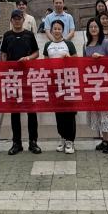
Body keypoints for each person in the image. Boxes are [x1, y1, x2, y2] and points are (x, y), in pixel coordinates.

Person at [1, 9, 41, 154]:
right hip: (13, 78)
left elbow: (37, 53)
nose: (17, 21)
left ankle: (33, 142)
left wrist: (28, 58)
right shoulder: (7, 35)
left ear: (23, 20)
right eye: (14, 18)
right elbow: (3, 54)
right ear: (11, 20)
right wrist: (4, 68)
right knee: (15, 112)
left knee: (31, 111)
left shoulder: (29, 35)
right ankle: (16, 143)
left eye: (19, 18)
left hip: (28, 77)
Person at [83, 18, 108, 153]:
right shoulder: (86, 45)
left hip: (107, 83)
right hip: (94, 84)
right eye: (91, 27)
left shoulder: (106, 42)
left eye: (96, 27)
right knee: (100, 113)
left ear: (99, 28)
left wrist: (101, 58)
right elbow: (84, 64)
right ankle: (105, 140)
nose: (93, 29)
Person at [43, 20, 78, 154]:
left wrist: (68, 58)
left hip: (68, 82)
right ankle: (62, 137)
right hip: (55, 83)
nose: (57, 31)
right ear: (51, 30)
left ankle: (70, 140)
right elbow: (45, 64)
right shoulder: (48, 45)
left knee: (69, 112)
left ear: (62, 30)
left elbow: (76, 61)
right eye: (55, 29)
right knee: (58, 112)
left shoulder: (69, 44)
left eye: (59, 29)